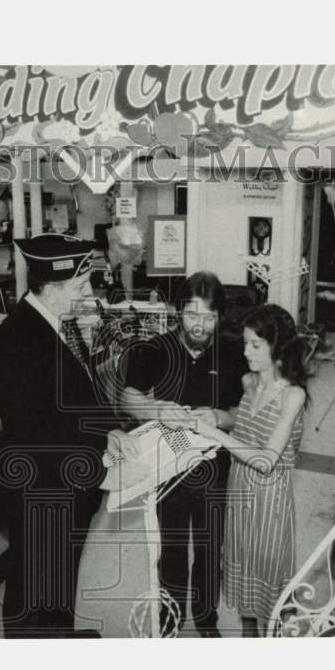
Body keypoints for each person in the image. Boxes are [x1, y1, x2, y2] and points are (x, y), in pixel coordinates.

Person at [0, 233, 135, 638]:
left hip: (66, 486)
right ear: (53, 288)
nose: (91, 295)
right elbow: (35, 433)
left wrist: (110, 430)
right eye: (82, 287)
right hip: (42, 491)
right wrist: (99, 459)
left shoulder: (56, 324)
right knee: (34, 588)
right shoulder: (16, 343)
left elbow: (80, 392)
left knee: (60, 580)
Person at [120, 272, 246, 637]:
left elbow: (247, 410)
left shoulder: (234, 351)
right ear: (178, 313)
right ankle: (170, 620)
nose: (200, 325)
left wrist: (221, 417)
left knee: (210, 548)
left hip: (214, 467)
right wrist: (158, 409)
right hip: (168, 467)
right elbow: (128, 398)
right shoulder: (154, 350)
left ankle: (206, 620)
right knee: (171, 548)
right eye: (192, 315)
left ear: (220, 317)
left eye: (209, 317)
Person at [195, 304, 310, 637]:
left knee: (268, 572)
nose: (246, 352)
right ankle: (248, 636)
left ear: (278, 348)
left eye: (255, 345)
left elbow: (266, 459)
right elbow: (244, 424)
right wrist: (218, 417)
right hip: (239, 487)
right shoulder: (249, 382)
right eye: (245, 343)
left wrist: (215, 435)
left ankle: (271, 640)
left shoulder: (293, 396)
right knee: (243, 565)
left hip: (269, 496)